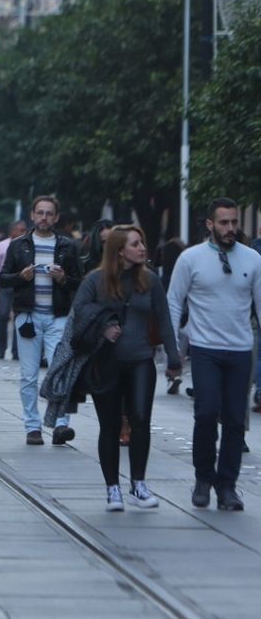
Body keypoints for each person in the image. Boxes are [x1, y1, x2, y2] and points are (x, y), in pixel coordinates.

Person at [63, 225, 182, 512]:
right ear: (119, 251)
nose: (143, 248)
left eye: (142, 243)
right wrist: (103, 327)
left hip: (141, 360)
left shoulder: (150, 281)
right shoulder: (95, 281)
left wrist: (173, 357)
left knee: (140, 420)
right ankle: (112, 488)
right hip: (106, 363)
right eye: (136, 244)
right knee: (111, 426)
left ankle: (138, 484)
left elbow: (164, 320)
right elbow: (78, 315)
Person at [168, 199, 261, 511]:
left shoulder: (252, 259)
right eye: (223, 222)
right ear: (210, 224)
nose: (231, 228)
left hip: (240, 350)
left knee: (235, 421)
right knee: (206, 413)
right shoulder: (190, 259)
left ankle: (227, 486)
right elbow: (173, 302)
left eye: (234, 222)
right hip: (205, 348)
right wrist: (172, 352)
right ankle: (203, 479)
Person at [0, 196, 84, 446]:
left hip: (58, 316)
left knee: (60, 370)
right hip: (28, 317)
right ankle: (32, 426)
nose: (44, 217)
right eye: (40, 213)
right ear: (32, 215)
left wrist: (63, 279)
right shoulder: (18, 245)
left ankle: (60, 424)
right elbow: (3, 279)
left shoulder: (67, 246)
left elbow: (80, 283)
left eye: (49, 213)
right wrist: (20, 276)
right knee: (28, 375)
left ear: (56, 218)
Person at [0, 221, 27, 360]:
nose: (22, 233)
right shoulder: (1, 246)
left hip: (21, 284)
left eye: (24, 230)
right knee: (3, 315)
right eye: (19, 230)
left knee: (18, 318)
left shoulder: (28, 246)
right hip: (5, 285)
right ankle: (1, 349)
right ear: (12, 231)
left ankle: (16, 351)